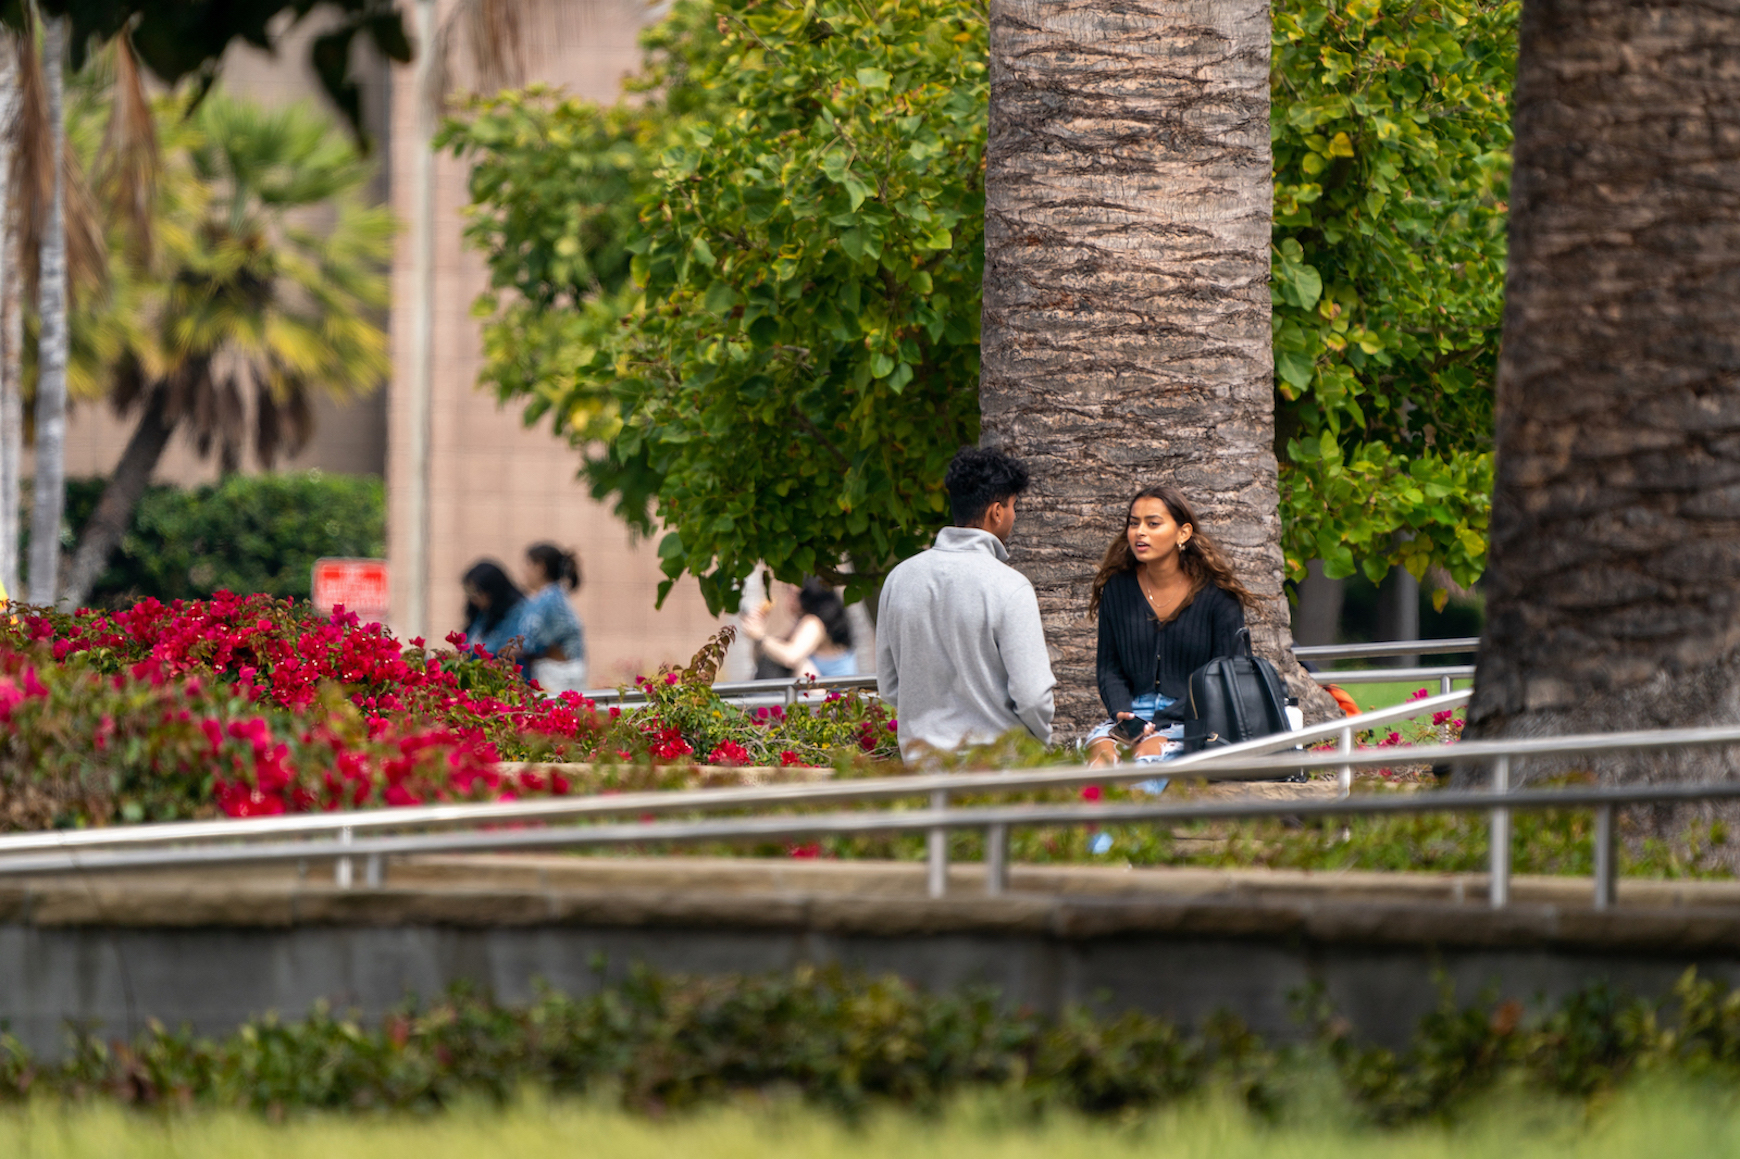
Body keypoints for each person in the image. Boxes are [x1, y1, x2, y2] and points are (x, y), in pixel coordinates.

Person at [876, 446, 1055, 762]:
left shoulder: (899, 579)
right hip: (999, 772)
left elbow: (890, 687)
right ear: (996, 512)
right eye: (1013, 507)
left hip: (923, 772)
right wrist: (1037, 743)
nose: (1013, 516)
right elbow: (1033, 698)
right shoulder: (1010, 586)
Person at [1085, 485, 1254, 768]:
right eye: (1133, 523)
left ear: (1183, 533)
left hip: (1193, 719)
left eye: (1153, 524)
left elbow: (1223, 677)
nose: (1140, 532)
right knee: (1099, 761)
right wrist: (1123, 714)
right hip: (1131, 719)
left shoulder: (1218, 596)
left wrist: (1159, 722)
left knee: (1145, 761)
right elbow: (1109, 668)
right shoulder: (1118, 588)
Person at [741, 578, 857, 678]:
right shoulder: (800, 623)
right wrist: (758, 635)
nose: (788, 598)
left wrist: (761, 637)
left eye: (793, 594)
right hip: (822, 691)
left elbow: (791, 657)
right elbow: (768, 655)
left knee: (803, 666)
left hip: (833, 695)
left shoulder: (813, 623)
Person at [518, 542, 588, 693]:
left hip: (557, 675)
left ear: (540, 567)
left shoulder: (547, 600)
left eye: (527, 565)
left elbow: (529, 642)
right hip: (565, 673)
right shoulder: (554, 596)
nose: (523, 571)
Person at [461, 560, 528, 658]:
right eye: (470, 596)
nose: (473, 601)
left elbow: (512, 650)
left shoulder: (518, 612)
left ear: (492, 592)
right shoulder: (481, 614)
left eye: (477, 595)